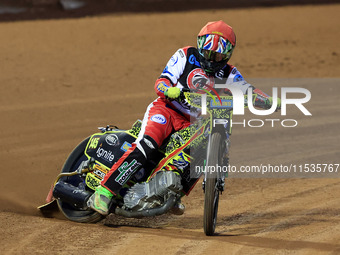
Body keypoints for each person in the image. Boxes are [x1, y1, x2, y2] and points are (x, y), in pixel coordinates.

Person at [87, 20, 279, 215]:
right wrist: (169, 90)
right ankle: (104, 192)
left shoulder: (230, 73)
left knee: (202, 149)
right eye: (208, 52)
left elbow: (248, 90)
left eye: (218, 55)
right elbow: (161, 81)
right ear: (199, 45)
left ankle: (170, 191)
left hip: (191, 122)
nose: (212, 59)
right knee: (148, 145)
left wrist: (269, 101)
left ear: (228, 54)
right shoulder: (185, 55)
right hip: (166, 110)